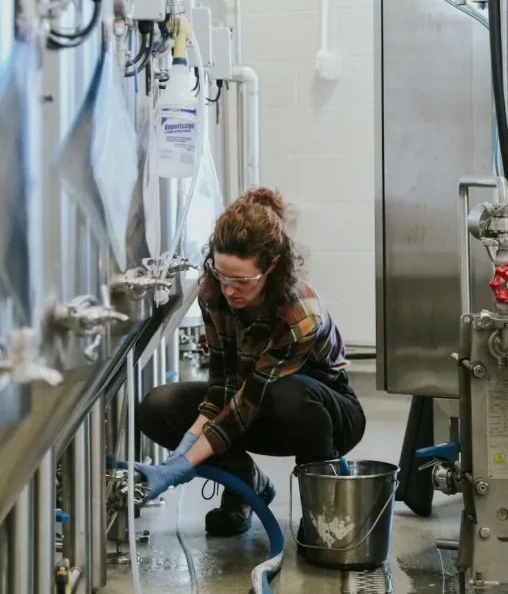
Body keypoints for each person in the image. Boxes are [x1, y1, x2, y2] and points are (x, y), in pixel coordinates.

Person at [136, 187, 366, 536]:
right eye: (222, 274)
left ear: (272, 266)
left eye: (242, 280)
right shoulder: (214, 294)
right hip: (254, 403)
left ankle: (322, 512)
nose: (229, 289)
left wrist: (185, 463)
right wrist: (180, 452)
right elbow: (221, 389)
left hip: (323, 415)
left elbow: (248, 402)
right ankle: (245, 485)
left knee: (286, 395)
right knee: (158, 407)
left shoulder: (299, 312)